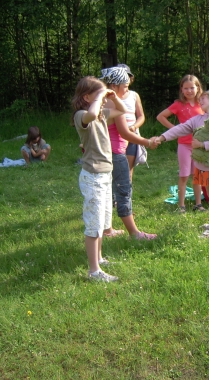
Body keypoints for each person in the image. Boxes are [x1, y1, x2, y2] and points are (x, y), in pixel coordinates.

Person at [152, 90, 209, 238]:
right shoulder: (197, 119)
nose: (200, 101)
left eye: (204, 98)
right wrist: (162, 137)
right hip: (202, 165)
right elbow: (179, 129)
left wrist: (201, 145)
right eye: (200, 99)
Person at [72, 76, 126, 282]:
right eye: (99, 96)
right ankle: (94, 271)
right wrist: (101, 95)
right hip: (93, 176)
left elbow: (122, 110)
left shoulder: (102, 115)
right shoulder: (82, 115)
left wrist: (112, 96)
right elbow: (91, 114)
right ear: (87, 97)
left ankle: (99, 258)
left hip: (104, 174)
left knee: (102, 221)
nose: (103, 100)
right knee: (94, 224)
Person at [101, 67, 157, 240]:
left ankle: (107, 229)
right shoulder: (113, 103)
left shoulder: (101, 100)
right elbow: (124, 133)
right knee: (123, 191)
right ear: (114, 86)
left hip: (105, 152)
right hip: (116, 153)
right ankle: (135, 233)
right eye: (125, 86)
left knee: (107, 191)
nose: (127, 89)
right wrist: (147, 142)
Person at [156, 75, 205, 213]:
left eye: (192, 88)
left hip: (199, 145)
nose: (189, 91)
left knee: (197, 175)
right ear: (181, 90)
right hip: (184, 145)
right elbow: (160, 116)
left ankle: (198, 204)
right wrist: (175, 129)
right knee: (184, 175)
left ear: (198, 88)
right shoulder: (178, 104)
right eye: (186, 88)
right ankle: (181, 206)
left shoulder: (203, 103)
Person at [116, 64, 146, 182]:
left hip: (131, 136)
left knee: (128, 170)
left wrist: (134, 127)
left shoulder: (134, 95)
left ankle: (128, 192)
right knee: (115, 169)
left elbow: (141, 116)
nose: (125, 79)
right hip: (115, 136)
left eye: (127, 76)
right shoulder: (112, 96)